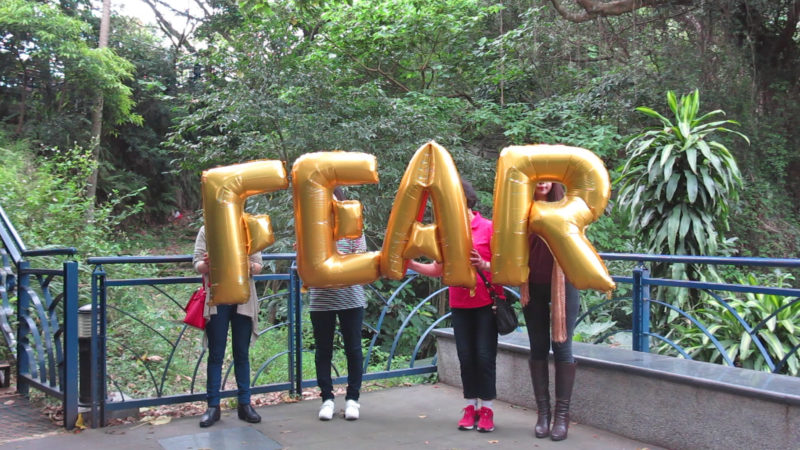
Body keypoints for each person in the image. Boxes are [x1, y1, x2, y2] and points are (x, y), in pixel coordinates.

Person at [407, 179, 503, 433]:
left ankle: (488, 409)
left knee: (484, 357)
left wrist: (483, 264)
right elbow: (438, 269)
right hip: (460, 304)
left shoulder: (489, 228)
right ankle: (470, 406)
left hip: (486, 304)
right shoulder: (445, 232)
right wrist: (413, 265)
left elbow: (505, 269)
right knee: (466, 357)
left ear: (467, 199)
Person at [520, 181, 580, 441]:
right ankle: (543, 414)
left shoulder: (568, 208)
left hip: (563, 286)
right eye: (538, 176)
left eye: (548, 176)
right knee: (538, 347)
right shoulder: (521, 209)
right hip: (532, 286)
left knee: (563, 347)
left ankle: (561, 417)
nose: (543, 182)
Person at [193, 226, 262, 427]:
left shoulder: (248, 228)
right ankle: (213, 406)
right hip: (217, 300)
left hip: (243, 300)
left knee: (241, 353)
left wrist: (245, 263)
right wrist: (207, 264)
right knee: (216, 353)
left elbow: (258, 265)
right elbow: (196, 264)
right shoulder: (208, 228)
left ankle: (245, 404)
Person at [310, 187, 368, 421]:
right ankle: (327, 399)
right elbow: (306, 265)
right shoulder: (310, 229)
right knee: (323, 350)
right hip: (321, 300)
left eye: (332, 201)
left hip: (351, 298)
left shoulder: (353, 227)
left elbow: (360, 257)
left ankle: (353, 399)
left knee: (353, 349)